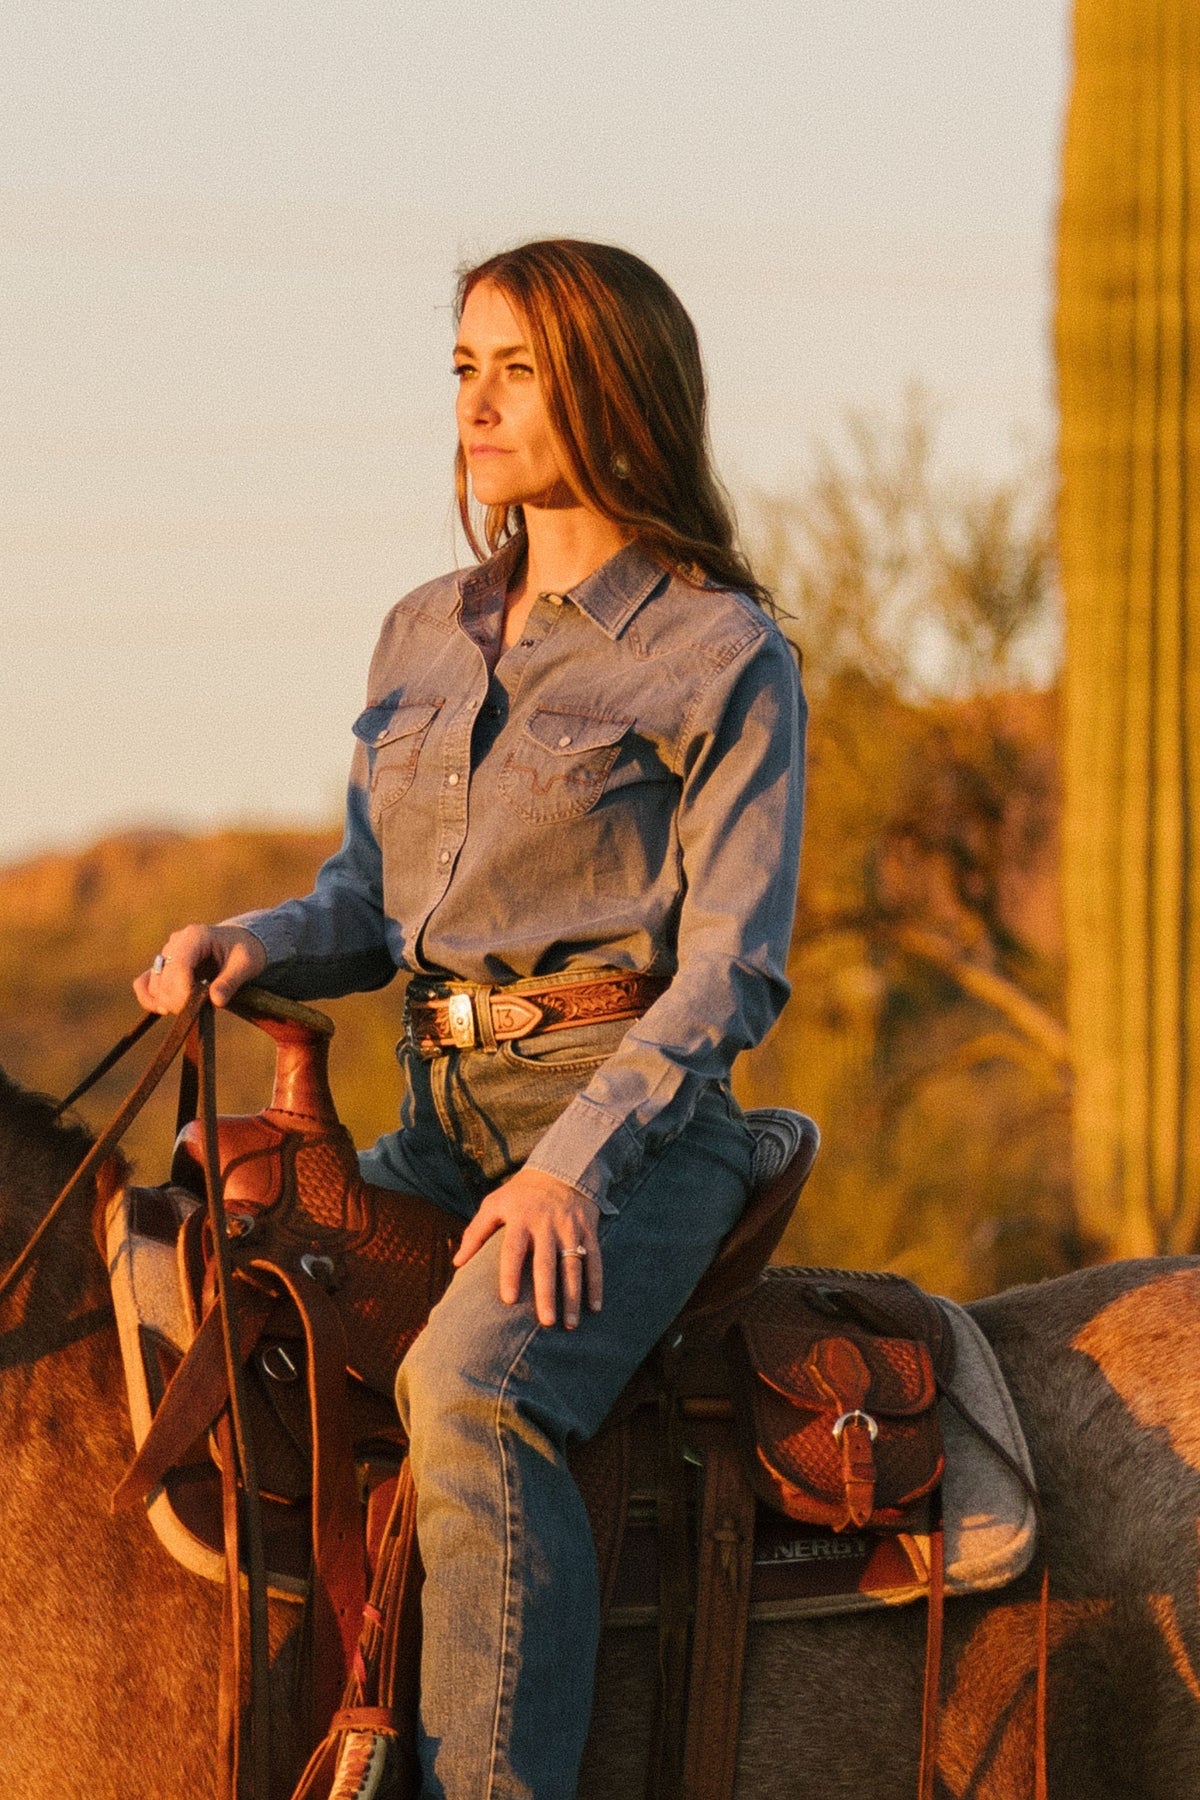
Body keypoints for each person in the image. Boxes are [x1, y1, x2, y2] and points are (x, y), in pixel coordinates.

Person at [134, 238, 805, 1800]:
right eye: (464, 368)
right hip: (440, 1122)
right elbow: (368, 909)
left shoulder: (723, 652)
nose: (478, 404)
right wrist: (244, 944)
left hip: (629, 1126)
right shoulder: (422, 632)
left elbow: (731, 969)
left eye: (520, 368)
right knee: (220, 1319)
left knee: (472, 1387)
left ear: (616, 388)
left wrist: (573, 1166)